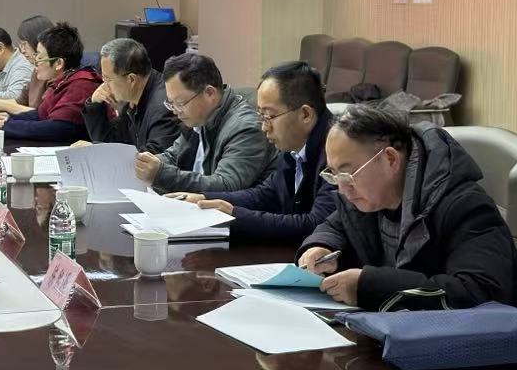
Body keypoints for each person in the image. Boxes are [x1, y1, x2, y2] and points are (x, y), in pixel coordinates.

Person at [297, 103, 517, 312]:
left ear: (391, 159)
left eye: (347, 174)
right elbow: (337, 224)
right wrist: (321, 246)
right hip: (407, 333)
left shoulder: (464, 206)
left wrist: (370, 287)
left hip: (487, 344)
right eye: (333, 174)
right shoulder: (368, 198)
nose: (342, 188)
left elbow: (478, 292)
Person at [170, 60, 337, 242]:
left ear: (305, 114)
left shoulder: (337, 152)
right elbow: (266, 194)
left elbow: (316, 224)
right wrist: (203, 199)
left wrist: (236, 215)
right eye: (261, 115)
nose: (264, 127)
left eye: (269, 116)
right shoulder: (293, 145)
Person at [135, 52, 271, 194]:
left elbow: (226, 186)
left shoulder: (246, 128)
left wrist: (161, 175)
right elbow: (173, 156)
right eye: (171, 103)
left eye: (180, 103)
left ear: (209, 93)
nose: (175, 111)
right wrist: (144, 163)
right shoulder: (198, 119)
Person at [0, 22, 100, 143]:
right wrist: (9, 118)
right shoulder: (61, 82)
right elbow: (40, 114)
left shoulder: (81, 85)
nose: (35, 61)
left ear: (58, 63)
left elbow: (58, 128)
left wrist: (8, 126)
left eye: (40, 57)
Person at [80, 37, 181, 152]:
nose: (104, 86)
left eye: (108, 79)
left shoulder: (163, 107)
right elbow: (112, 140)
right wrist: (95, 105)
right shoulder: (134, 96)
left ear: (131, 79)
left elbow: (152, 157)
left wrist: (94, 149)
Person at [0, 15, 55, 116]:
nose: (22, 50)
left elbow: (42, 115)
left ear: (38, 43)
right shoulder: (36, 70)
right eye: (21, 45)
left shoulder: (53, 74)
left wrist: (3, 105)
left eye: (25, 44)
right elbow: (20, 101)